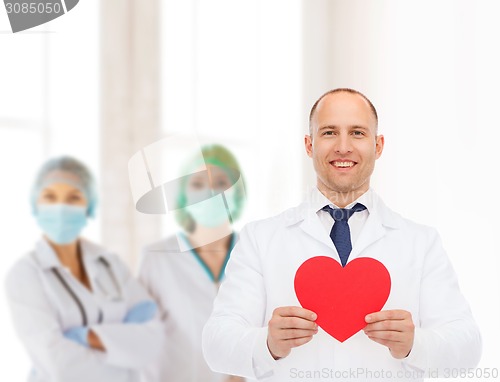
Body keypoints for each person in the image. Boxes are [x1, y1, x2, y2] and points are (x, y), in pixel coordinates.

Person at [202, 89, 482, 381]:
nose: (343, 147)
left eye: (358, 133)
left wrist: (416, 345)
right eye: (329, 132)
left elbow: (468, 346)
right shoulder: (260, 239)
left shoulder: (421, 243)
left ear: (378, 145)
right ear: (309, 145)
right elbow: (215, 344)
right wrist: (267, 344)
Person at [4, 156, 163, 382]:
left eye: (73, 198)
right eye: (50, 197)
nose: (61, 207)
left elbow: (152, 341)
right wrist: (121, 352)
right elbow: (58, 365)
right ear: (35, 204)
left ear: (89, 205)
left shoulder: (110, 263)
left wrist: (84, 337)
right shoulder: (25, 274)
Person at [138, 144, 246, 382]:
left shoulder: (255, 253)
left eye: (220, 183)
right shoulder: (157, 259)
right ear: (183, 196)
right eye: (197, 184)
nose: (210, 192)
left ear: (236, 192)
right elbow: (142, 343)